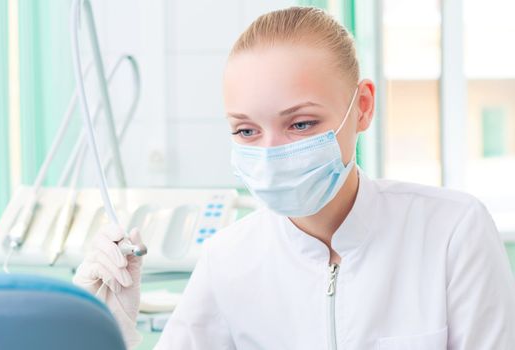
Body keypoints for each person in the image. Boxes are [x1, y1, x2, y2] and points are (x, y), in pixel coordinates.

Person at [73, 7, 515, 349]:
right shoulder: (228, 262)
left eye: (300, 124)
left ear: (361, 107)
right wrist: (109, 331)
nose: (271, 153)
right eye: (246, 130)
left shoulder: (452, 233)